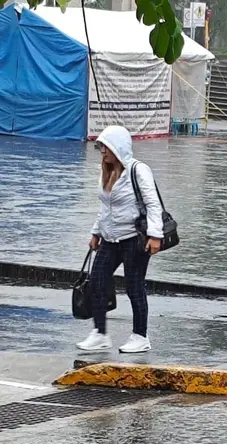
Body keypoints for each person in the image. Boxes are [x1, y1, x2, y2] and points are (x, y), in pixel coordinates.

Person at [76, 125, 163, 353]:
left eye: (105, 146)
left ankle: (140, 336)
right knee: (96, 281)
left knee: (134, 287)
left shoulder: (138, 170)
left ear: (118, 147)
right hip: (109, 239)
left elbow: (153, 204)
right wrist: (96, 232)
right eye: (100, 146)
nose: (102, 151)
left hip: (134, 239)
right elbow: (105, 208)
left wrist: (155, 235)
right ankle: (100, 333)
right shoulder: (106, 171)